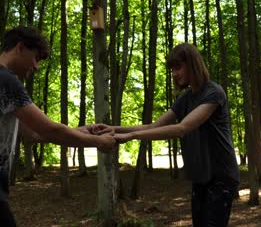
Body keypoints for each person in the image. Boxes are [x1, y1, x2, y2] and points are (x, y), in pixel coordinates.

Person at [0, 26, 115, 227]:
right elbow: (50, 130)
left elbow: (33, 134)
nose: (36, 66)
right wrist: (98, 141)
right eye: (35, 57)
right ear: (20, 48)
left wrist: (81, 130)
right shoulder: (4, 79)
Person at [94, 43, 239, 227]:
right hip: (201, 175)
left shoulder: (213, 93)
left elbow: (182, 128)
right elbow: (153, 126)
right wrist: (113, 129)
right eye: (172, 69)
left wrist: (131, 137)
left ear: (193, 64)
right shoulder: (185, 98)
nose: (174, 74)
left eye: (178, 67)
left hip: (221, 175)